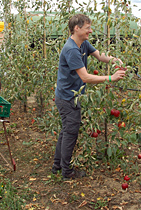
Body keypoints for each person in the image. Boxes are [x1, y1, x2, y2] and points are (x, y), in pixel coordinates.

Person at [51, 14, 126, 180]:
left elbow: (99, 55)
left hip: (72, 96)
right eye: (87, 28)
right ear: (77, 28)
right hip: (68, 98)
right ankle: (66, 172)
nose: (90, 31)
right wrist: (110, 78)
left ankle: (57, 166)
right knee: (70, 133)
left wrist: (115, 61)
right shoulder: (71, 49)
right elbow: (85, 77)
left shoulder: (82, 43)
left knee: (66, 131)